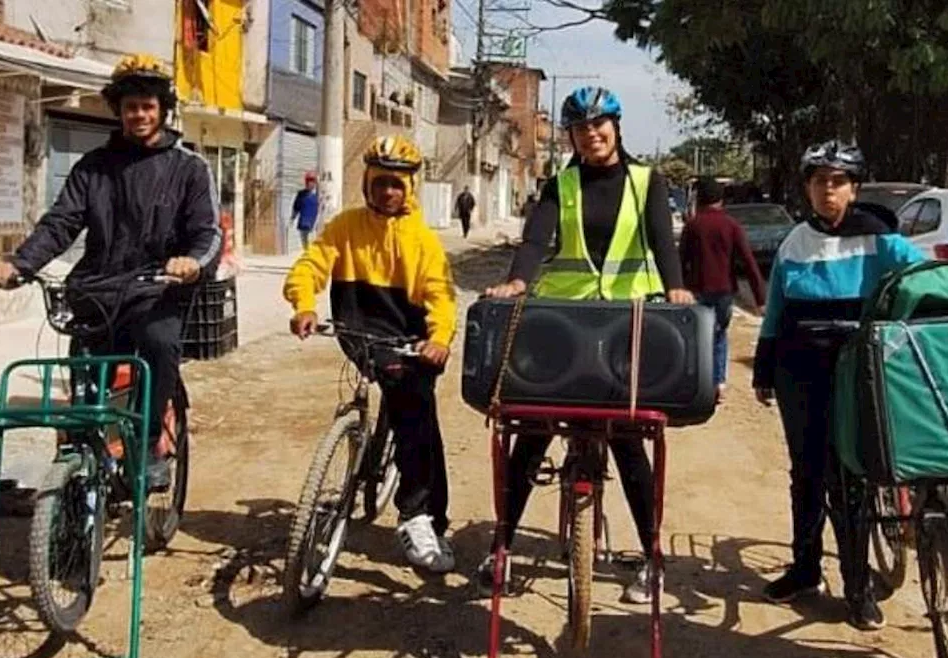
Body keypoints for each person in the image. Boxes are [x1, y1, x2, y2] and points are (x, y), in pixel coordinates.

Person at [482, 86, 694, 603]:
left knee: (627, 438)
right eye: (580, 128)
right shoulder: (562, 184)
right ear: (572, 136)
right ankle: (502, 546)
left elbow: (662, 241)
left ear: (617, 127)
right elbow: (537, 239)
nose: (591, 135)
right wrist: (517, 281)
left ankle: (651, 558)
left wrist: (676, 287)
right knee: (532, 429)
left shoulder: (647, 181)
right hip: (569, 318)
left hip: (628, 322)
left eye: (600, 125)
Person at [0, 53, 221, 491]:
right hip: (97, 290)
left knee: (159, 343)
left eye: (148, 105)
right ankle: (78, 464)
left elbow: (207, 234)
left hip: (157, 291)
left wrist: (190, 264)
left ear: (163, 109)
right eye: (131, 106)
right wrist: (21, 263)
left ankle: (149, 445)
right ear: (119, 111)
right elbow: (60, 223)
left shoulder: (190, 168)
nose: (139, 115)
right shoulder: (92, 166)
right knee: (84, 373)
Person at [752, 140, 926, 630]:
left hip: (856, 369)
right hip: (798, 367)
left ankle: (858, 589)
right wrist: (764, 367)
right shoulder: (794, 242)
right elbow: (775, 312)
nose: (827, 190)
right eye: (818, 181)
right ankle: (805, 569)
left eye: (838, 181)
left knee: (847, 479)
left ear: (854, 188)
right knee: (805, 473)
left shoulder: (883, 239)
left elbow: (922, 282)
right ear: (806, 187)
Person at [283, 135, 459, 573]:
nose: (387, 192)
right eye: (380, 183)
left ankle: (422, 515)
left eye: (396, 184)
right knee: (395, 393)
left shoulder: (423, 241)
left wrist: (438, 339)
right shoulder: (345, 226)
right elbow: (313, 263)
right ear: (367, 183)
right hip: (360, 331)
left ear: (410, 188)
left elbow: (440, 295)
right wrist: (303, 303)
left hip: (411, 340)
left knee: (416, 413)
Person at [679, 177, 766, 401]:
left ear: (700, 199)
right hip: (724, 291)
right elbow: (748, 262)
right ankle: (718, 382)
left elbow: (681, 260)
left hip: (696, 290)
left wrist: (676, 288)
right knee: (718, 336)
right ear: (721, 199)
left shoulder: (693, 226)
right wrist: (760, 297)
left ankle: (697, 382)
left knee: (697, 337)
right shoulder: (731, 225)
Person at [291, 172, 320, 250]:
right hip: (303, 224)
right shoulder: (301, 194)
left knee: (312, 246)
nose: (310, 183)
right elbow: (296, 207)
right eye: (309, 180)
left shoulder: (318, 195)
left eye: (312, 181)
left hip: (314, 225)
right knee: (305, 246)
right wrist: (292, 218)